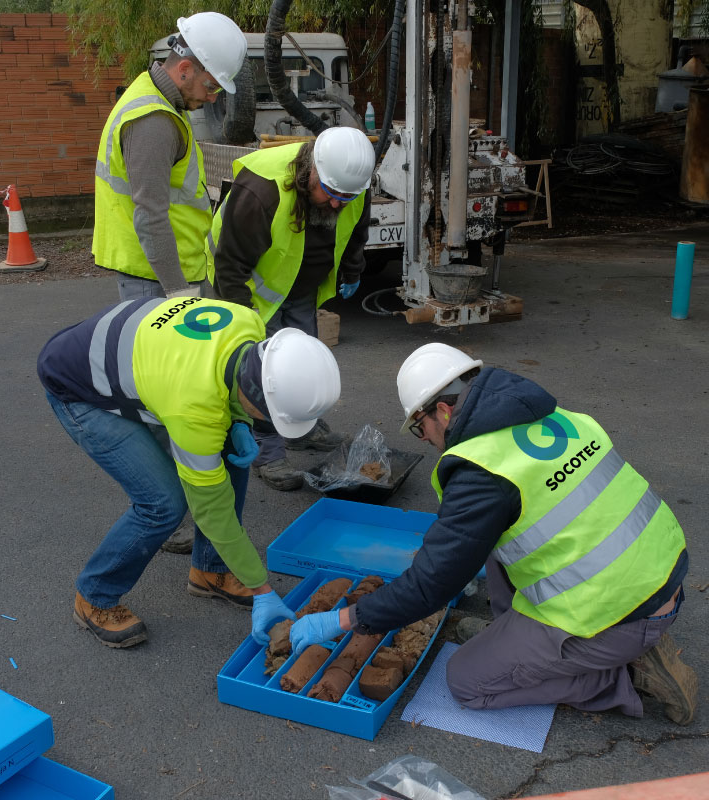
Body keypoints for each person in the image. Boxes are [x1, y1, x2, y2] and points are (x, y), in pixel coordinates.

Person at [290, 343, 698, 725]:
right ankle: (526, 641)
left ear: (445, 412)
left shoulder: (482, 473)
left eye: (421, 427)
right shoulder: (555, 417)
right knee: (494, 539)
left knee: (467, 682)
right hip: (660, 577)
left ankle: (621, 676)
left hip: (616, 617)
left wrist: (345, 619)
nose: (427, 439)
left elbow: (431, 587)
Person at [37, 295, 341, 648]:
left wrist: (240, 422)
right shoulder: (193, 410)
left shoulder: (249, 325)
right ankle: (94, 596)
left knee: (227, 451)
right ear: (255, 392)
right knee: (162, 502)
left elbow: (235, 384)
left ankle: (210, 571)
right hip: (77, 386)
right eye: (271, 416)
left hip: (141, 357)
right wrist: (263, 590)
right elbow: (212, 511)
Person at [206, 126, 375, 491]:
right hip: (249, 286)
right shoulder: (262, 191)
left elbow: (356, 231)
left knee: (302, 364)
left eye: (345, 198)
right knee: (266, 373)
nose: (336, 205)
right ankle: (268, 454)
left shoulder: (351, 184)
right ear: (312, 171)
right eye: (329, 194)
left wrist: (352, 268)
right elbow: (229, 265)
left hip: (300, 286)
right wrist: (242, 323)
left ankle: (301, 430)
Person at [92, 12, 247, 302]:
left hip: (165, 271)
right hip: (157, 281)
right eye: (212, 86)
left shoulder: (160, 100)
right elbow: (150, 215)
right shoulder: (154, 121)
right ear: (185, 68)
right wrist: (178, 294)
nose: (213, 98)